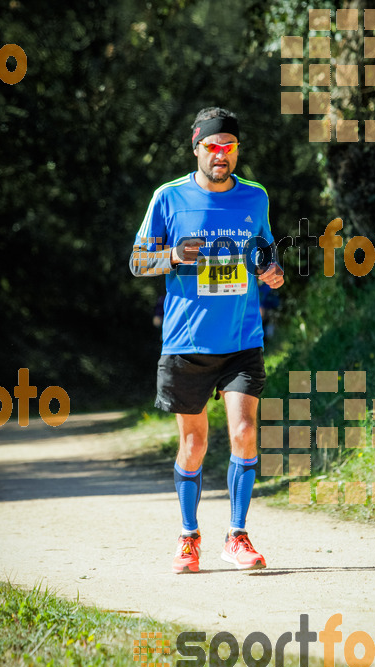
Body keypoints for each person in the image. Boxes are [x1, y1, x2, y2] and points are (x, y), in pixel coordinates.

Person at [130, 106, 284, 574]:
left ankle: (236, 536)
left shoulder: (255, 197)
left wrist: (270, 269)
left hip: (241, 339)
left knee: (244, 432)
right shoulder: (169, 198)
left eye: (230, 147)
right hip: (186, 342)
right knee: (194, 445)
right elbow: (138, 263)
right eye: (214, 147)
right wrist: (173, 256)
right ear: (197, 148)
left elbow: (264, 247)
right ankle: (188, 537)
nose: (222, 155)